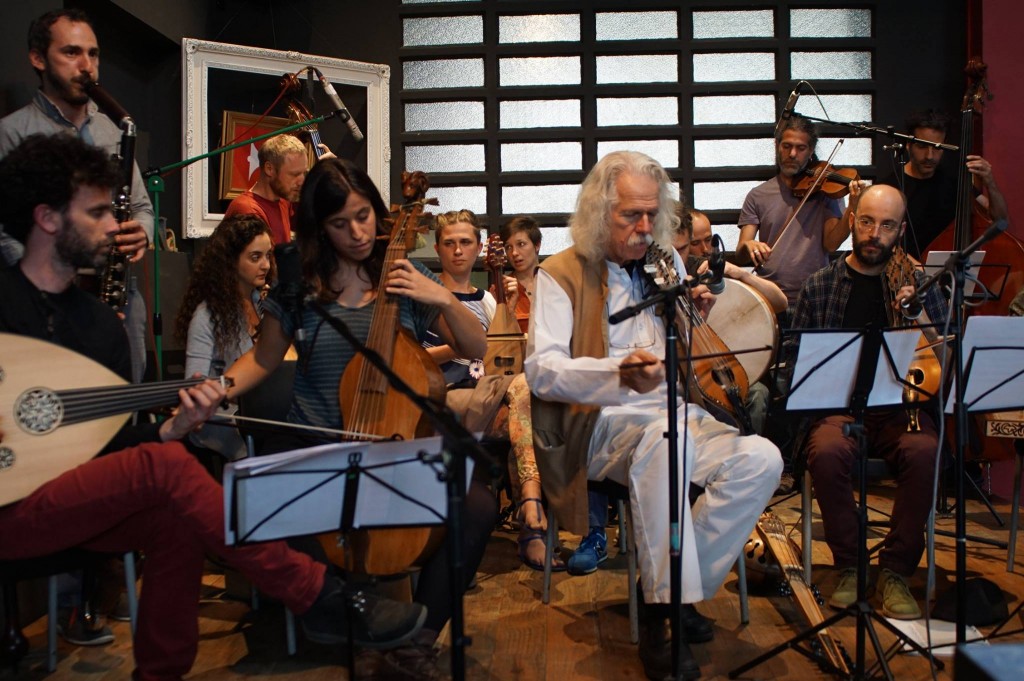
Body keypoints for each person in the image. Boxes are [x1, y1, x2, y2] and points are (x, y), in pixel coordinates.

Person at [0, 133, 427, 681]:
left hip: (71, 501)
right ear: (47, 218)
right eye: (98, 212)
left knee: (175, 516)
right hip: (10, 507)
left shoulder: (100, 327)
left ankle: (161, 674)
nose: (115, 226)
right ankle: (320, 596)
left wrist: (170, 428)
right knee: (166, 467)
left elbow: (105, 445)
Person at [225, 158, 493, 679]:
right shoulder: (301, 286)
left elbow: (475, 346)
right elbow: (262, 358)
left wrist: (442, 297)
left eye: (364, 216)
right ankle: (358, 622)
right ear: (319, 228)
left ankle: (415, 640)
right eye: (339, 223)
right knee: (259, 504)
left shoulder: (404, 277)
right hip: (322, 451)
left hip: (391, 451)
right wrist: (215, 388)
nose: (357, 233)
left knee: (478, 505)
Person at [525, 150, 782, 680]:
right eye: (631, 215)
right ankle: (667, 616)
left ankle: (670, 591)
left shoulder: (667, 264)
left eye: (651, 214)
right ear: (600, 213)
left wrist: (691, 317)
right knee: (668, 441)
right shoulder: (561, 272)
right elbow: (542, 372)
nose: (645, 227)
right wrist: (617, 373)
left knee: (761, 458)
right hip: (595, 422)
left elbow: (683, 355)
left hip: (674, 414)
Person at [790, 184, 947, 619]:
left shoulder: (920, 284)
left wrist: (920, 314)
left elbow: (947, 364)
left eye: (887, 225)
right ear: (853, 220)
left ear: (901, 230)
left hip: (902, 407)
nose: (875, 234)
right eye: (866, 221)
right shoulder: (820, 285)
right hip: (839, 406)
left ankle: (895, 570)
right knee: (826, 452)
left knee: (925, 452)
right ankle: (850, 565)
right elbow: (795, 364)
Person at [0, 8, 153, 383]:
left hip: (119, 299)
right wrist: (54, 286)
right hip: (44, 303)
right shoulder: (12, 131)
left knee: (121, 405)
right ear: (38, 59)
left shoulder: (116, 130)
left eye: (93, 54)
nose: (87, 66)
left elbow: (141, 208)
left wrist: (142, 232)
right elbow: (5, 230)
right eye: (71, 52)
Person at [174, 214, 275, 460]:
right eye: (255, 257)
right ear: (230, 260)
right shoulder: (207, 315)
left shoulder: (262, 303)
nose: (266, 265)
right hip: (222, 423)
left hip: (258, 418)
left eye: (268, 255)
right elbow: (194, 386)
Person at [736, 116, 863, 311]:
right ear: (777, 146)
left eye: (801, 148)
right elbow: (740, 255)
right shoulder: (757, 195)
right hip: (770, 295)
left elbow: (831, 244)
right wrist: (748, 245)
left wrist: (853, 206)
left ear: (811, 151)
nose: (792, 154)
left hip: (815, 294)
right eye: (786, 146)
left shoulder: (826, 190)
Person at [878, 109, 1009, 260]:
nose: (930, 156)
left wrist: (990, 183)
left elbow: (1000, 219)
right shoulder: (888, 188)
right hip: (904, 270)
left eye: (937, 147)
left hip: (949, 270)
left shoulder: (955, 184)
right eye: (922, 146)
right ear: (909, 145)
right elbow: (880, 239)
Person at [223, 133, 309, 245]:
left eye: (303, 173)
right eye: (294, 174)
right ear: (269, 169)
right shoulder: (248, 210)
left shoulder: (283, 200)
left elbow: (309, 226)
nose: (301, 181)